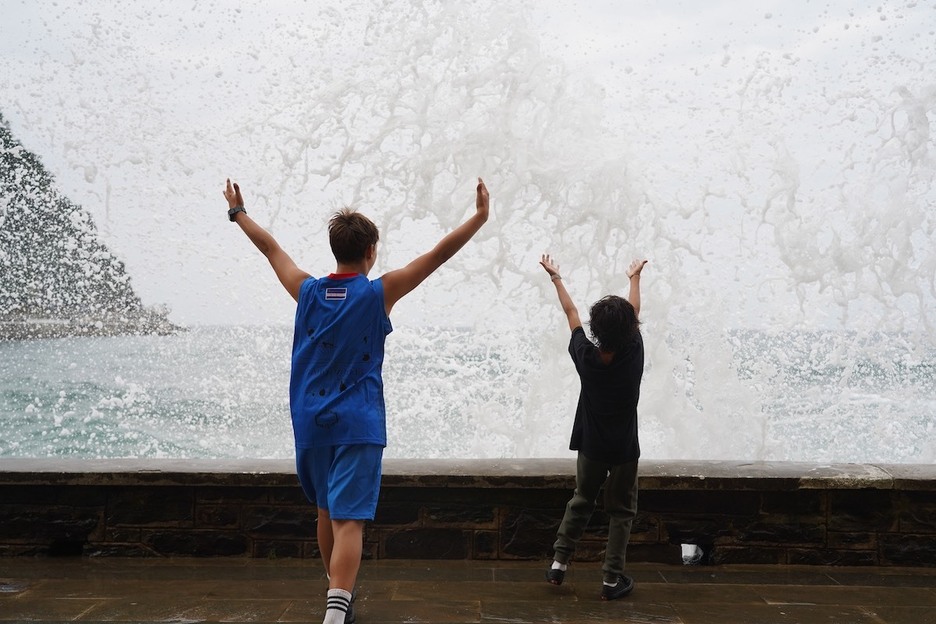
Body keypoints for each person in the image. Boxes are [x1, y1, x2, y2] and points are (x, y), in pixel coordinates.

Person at [223, 178, 490, 624]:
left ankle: (336, 599)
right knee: (350, 520)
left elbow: (271, 249)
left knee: (327, 510)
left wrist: (238, 213)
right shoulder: (376, 293)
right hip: (357, 422)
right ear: (370, 252)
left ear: (335, 250)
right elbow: (437, 256)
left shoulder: (306, 291)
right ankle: (335, 613)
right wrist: (478, 218)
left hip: (310, 421)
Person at [539, 253, 647, 601]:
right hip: (624, 450)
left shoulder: (585, 356)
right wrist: (634, 278)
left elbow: (571, 314)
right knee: (622, 512)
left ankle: (559, 564)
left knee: (582, 499)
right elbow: (634, 310)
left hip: (591, 448)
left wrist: (557, 278)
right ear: (630, 329)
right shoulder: (633, 351)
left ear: (596, 330)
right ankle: (611, 580)